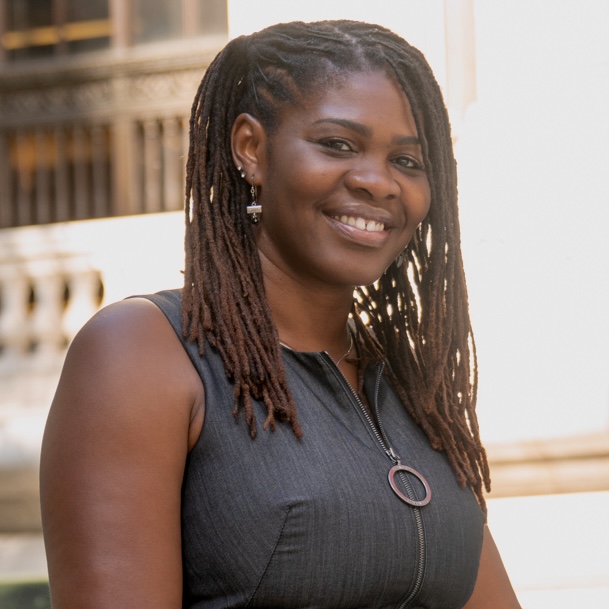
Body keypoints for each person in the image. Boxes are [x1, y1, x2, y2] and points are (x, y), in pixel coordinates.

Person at [40, 20, 522, 609]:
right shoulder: (142, 352)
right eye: (337, 145)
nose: (379, 181)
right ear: (252, 148)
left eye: (407, 160)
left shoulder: (406, 384)